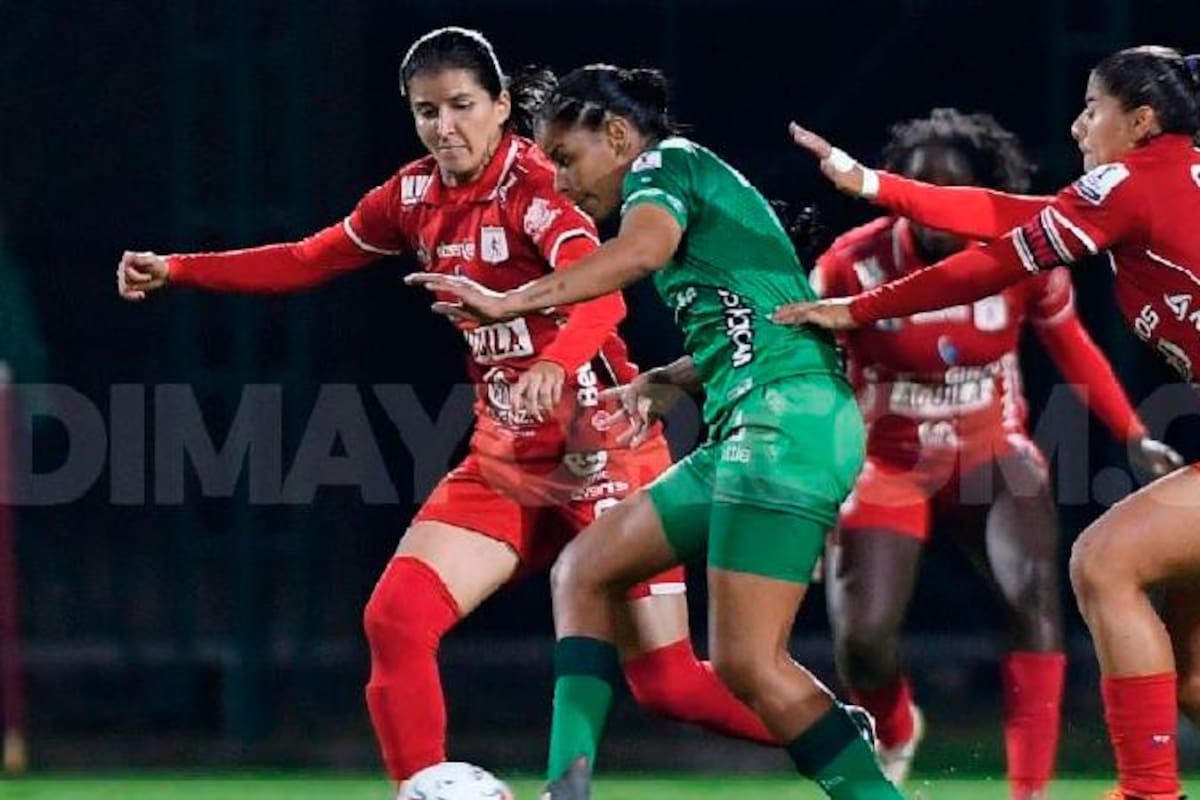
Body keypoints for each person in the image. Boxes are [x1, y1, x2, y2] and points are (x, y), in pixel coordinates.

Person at [116, 27, 775, 791]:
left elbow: (603, 294)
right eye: (426, 111)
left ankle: (825, 732)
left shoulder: (536, 186)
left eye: (462, 106)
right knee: (396, 619)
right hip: (507, 459)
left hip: (603, 450)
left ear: (501, 107)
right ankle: (425, 788)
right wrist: (179, 268)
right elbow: (308, 257)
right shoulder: (413, 195)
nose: (444, 127)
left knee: (668, 686)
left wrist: (555, 364)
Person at [407, 64, 901, 800]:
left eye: (568, 160)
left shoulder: (665, 166)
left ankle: (865, 780)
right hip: (754, 424)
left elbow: (636, 256)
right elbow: (759, 324)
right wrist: (669, 376)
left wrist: (513, 303)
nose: (564, 185)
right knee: (587, 568)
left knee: (747, 666)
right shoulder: (700, 203)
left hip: (785, 426)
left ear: (616, 135)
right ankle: (567, 789)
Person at [779, 46, 1200, 800]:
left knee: (1105, 562)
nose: (1076, 126)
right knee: (1190, 668)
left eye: (1093, 108)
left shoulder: (1132, 181)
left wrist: (862, 309)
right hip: (891, 463)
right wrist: (873, 186)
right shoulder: (1155, 181)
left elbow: (995, 258)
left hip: (984, 452)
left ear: (1140, 122)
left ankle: (1146, 793)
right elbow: (1011, 219)